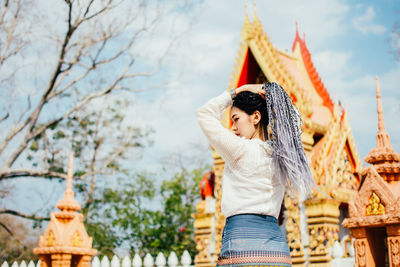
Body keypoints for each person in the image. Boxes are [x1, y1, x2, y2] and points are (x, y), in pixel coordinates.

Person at [196, 82, 315, 267]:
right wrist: (276, 99)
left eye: (236, 119)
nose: (233, 127)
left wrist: (237, 91)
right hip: (277, 249)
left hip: (242, 243)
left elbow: (204, 114)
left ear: (256, 117)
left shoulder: (239, 149)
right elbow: (295, 122)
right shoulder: (282, 156)